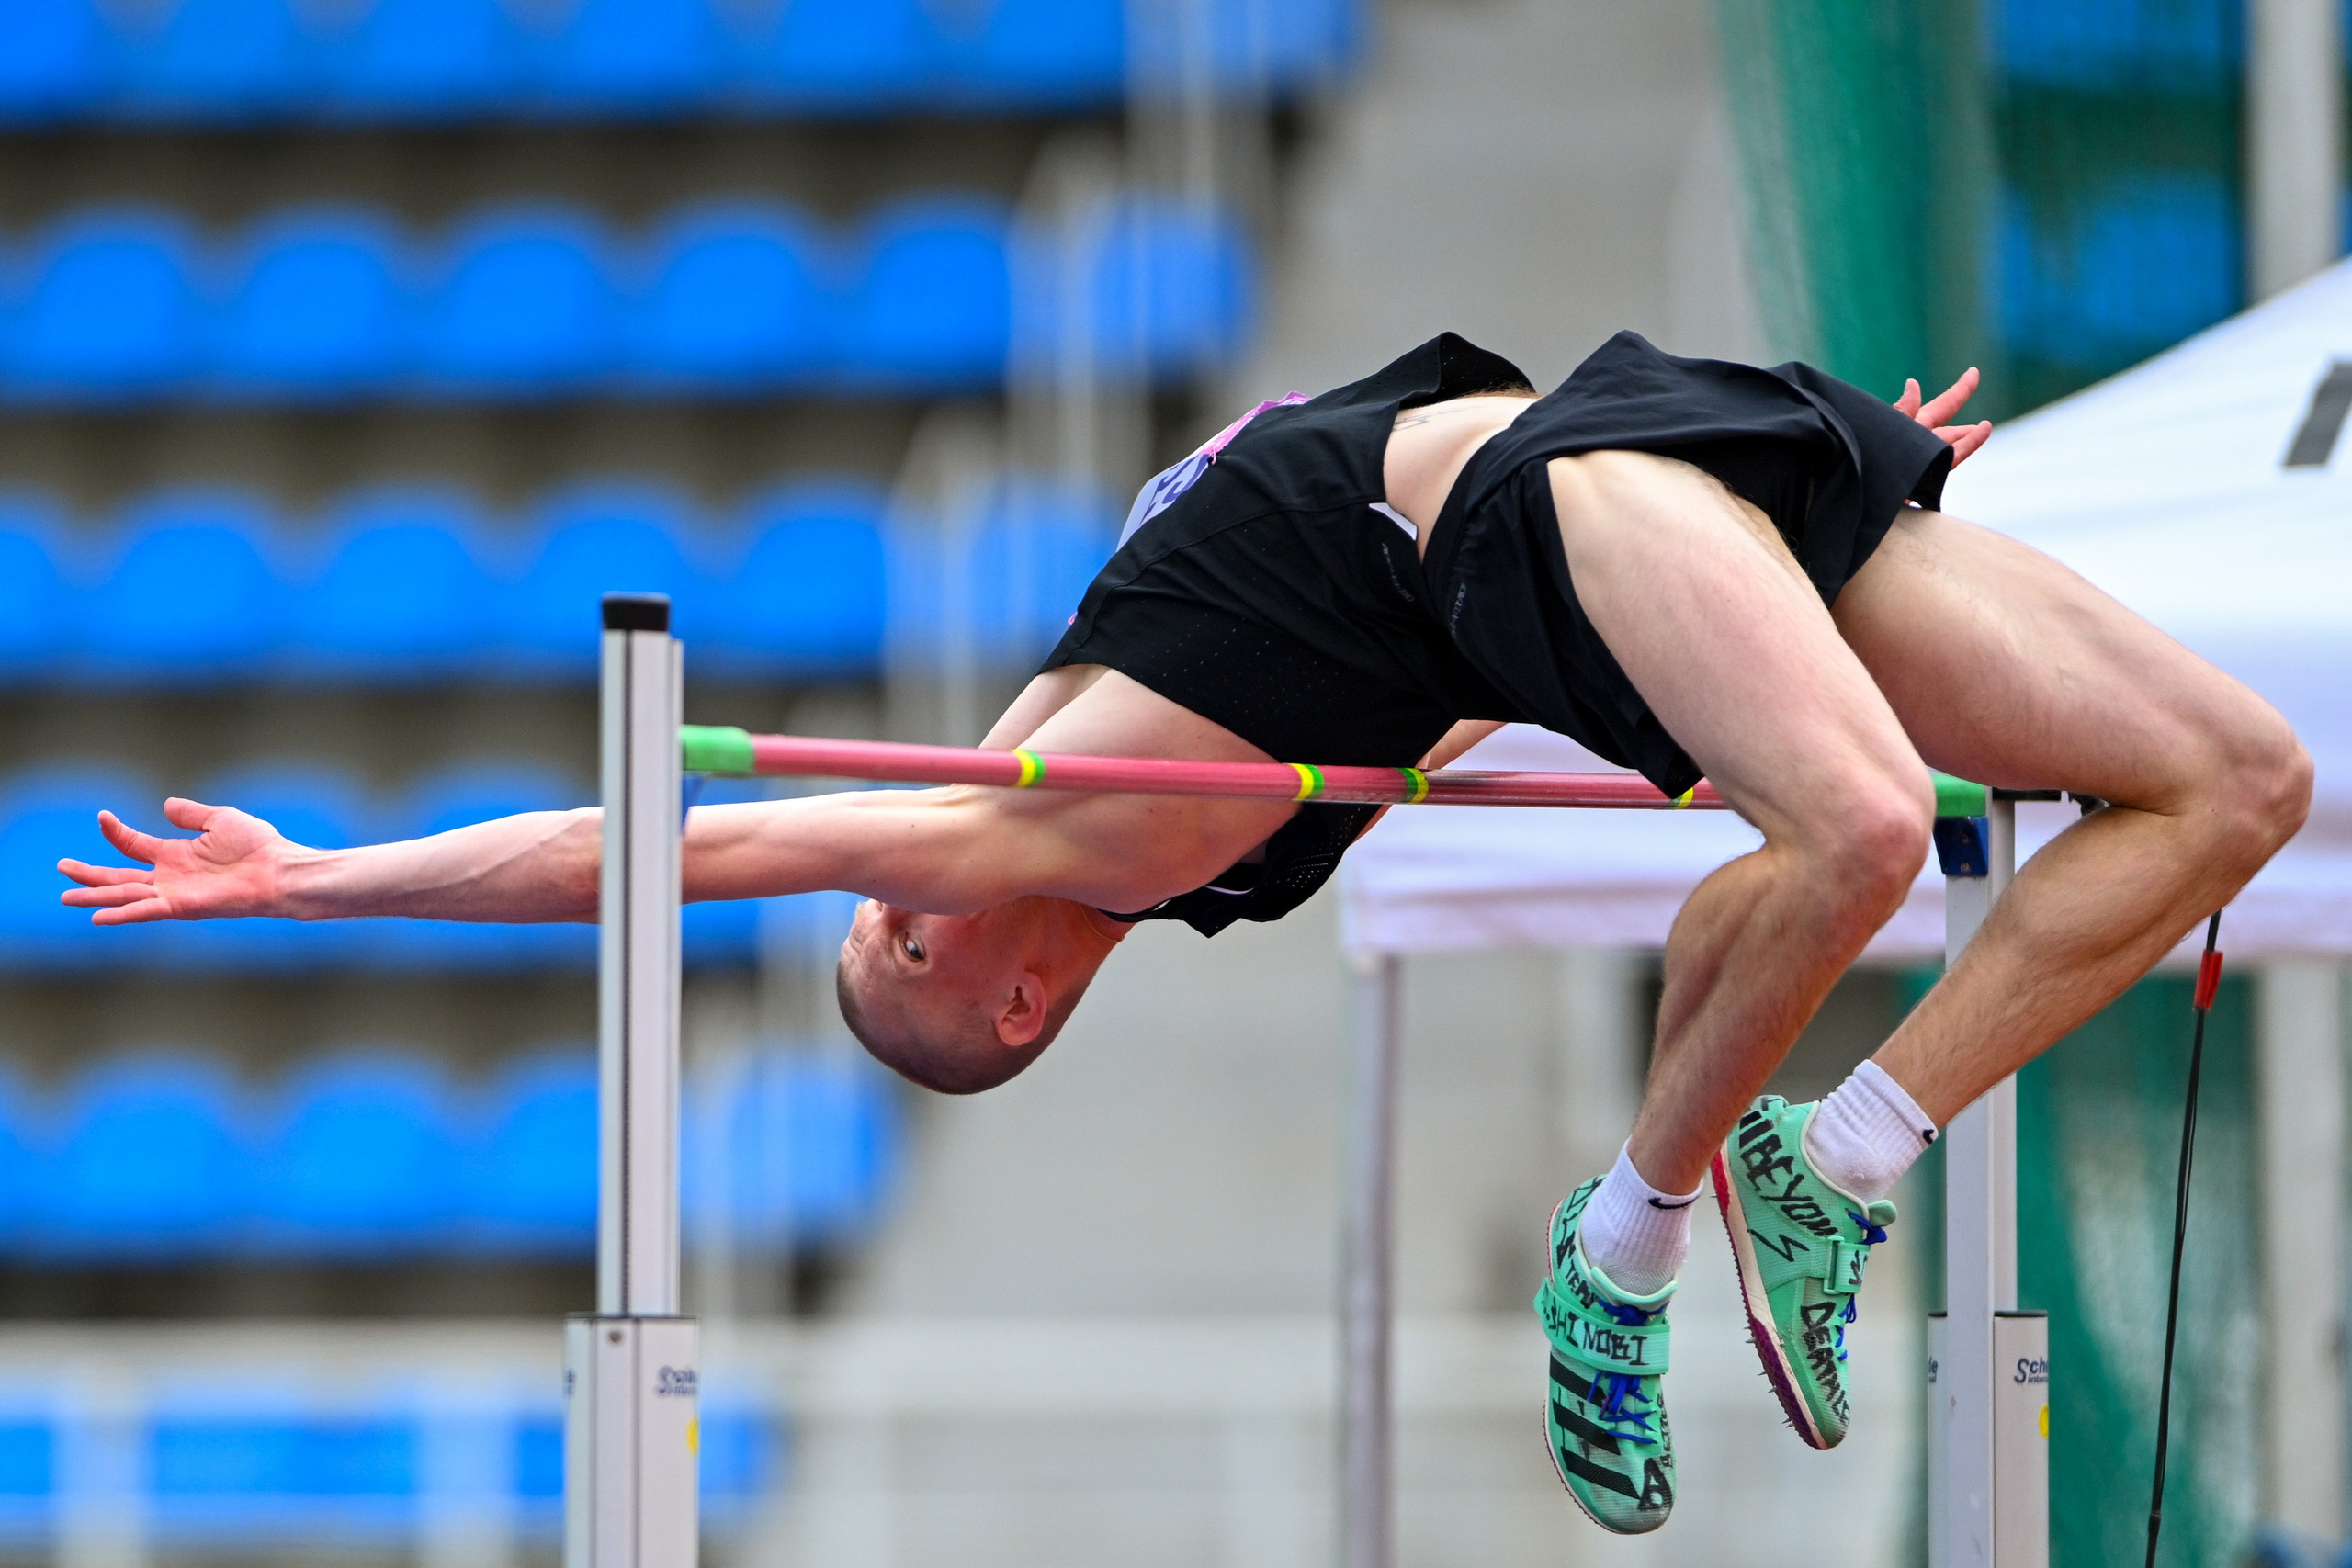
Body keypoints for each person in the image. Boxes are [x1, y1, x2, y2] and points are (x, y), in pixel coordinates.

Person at [58, 332, 2310, 1534]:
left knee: (2229, 784)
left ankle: (1782, 1176)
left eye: (876, 908)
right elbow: (638, 849)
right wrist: (318, 879)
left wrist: (304, 875)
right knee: (1831, 825)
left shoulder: (1046, 789)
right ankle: (1673, 1224)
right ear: (1009, 991)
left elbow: (624, 836)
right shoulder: (1131, 841)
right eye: (891, 933)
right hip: (1581, 511)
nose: (880, 883)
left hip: (1621, 462)